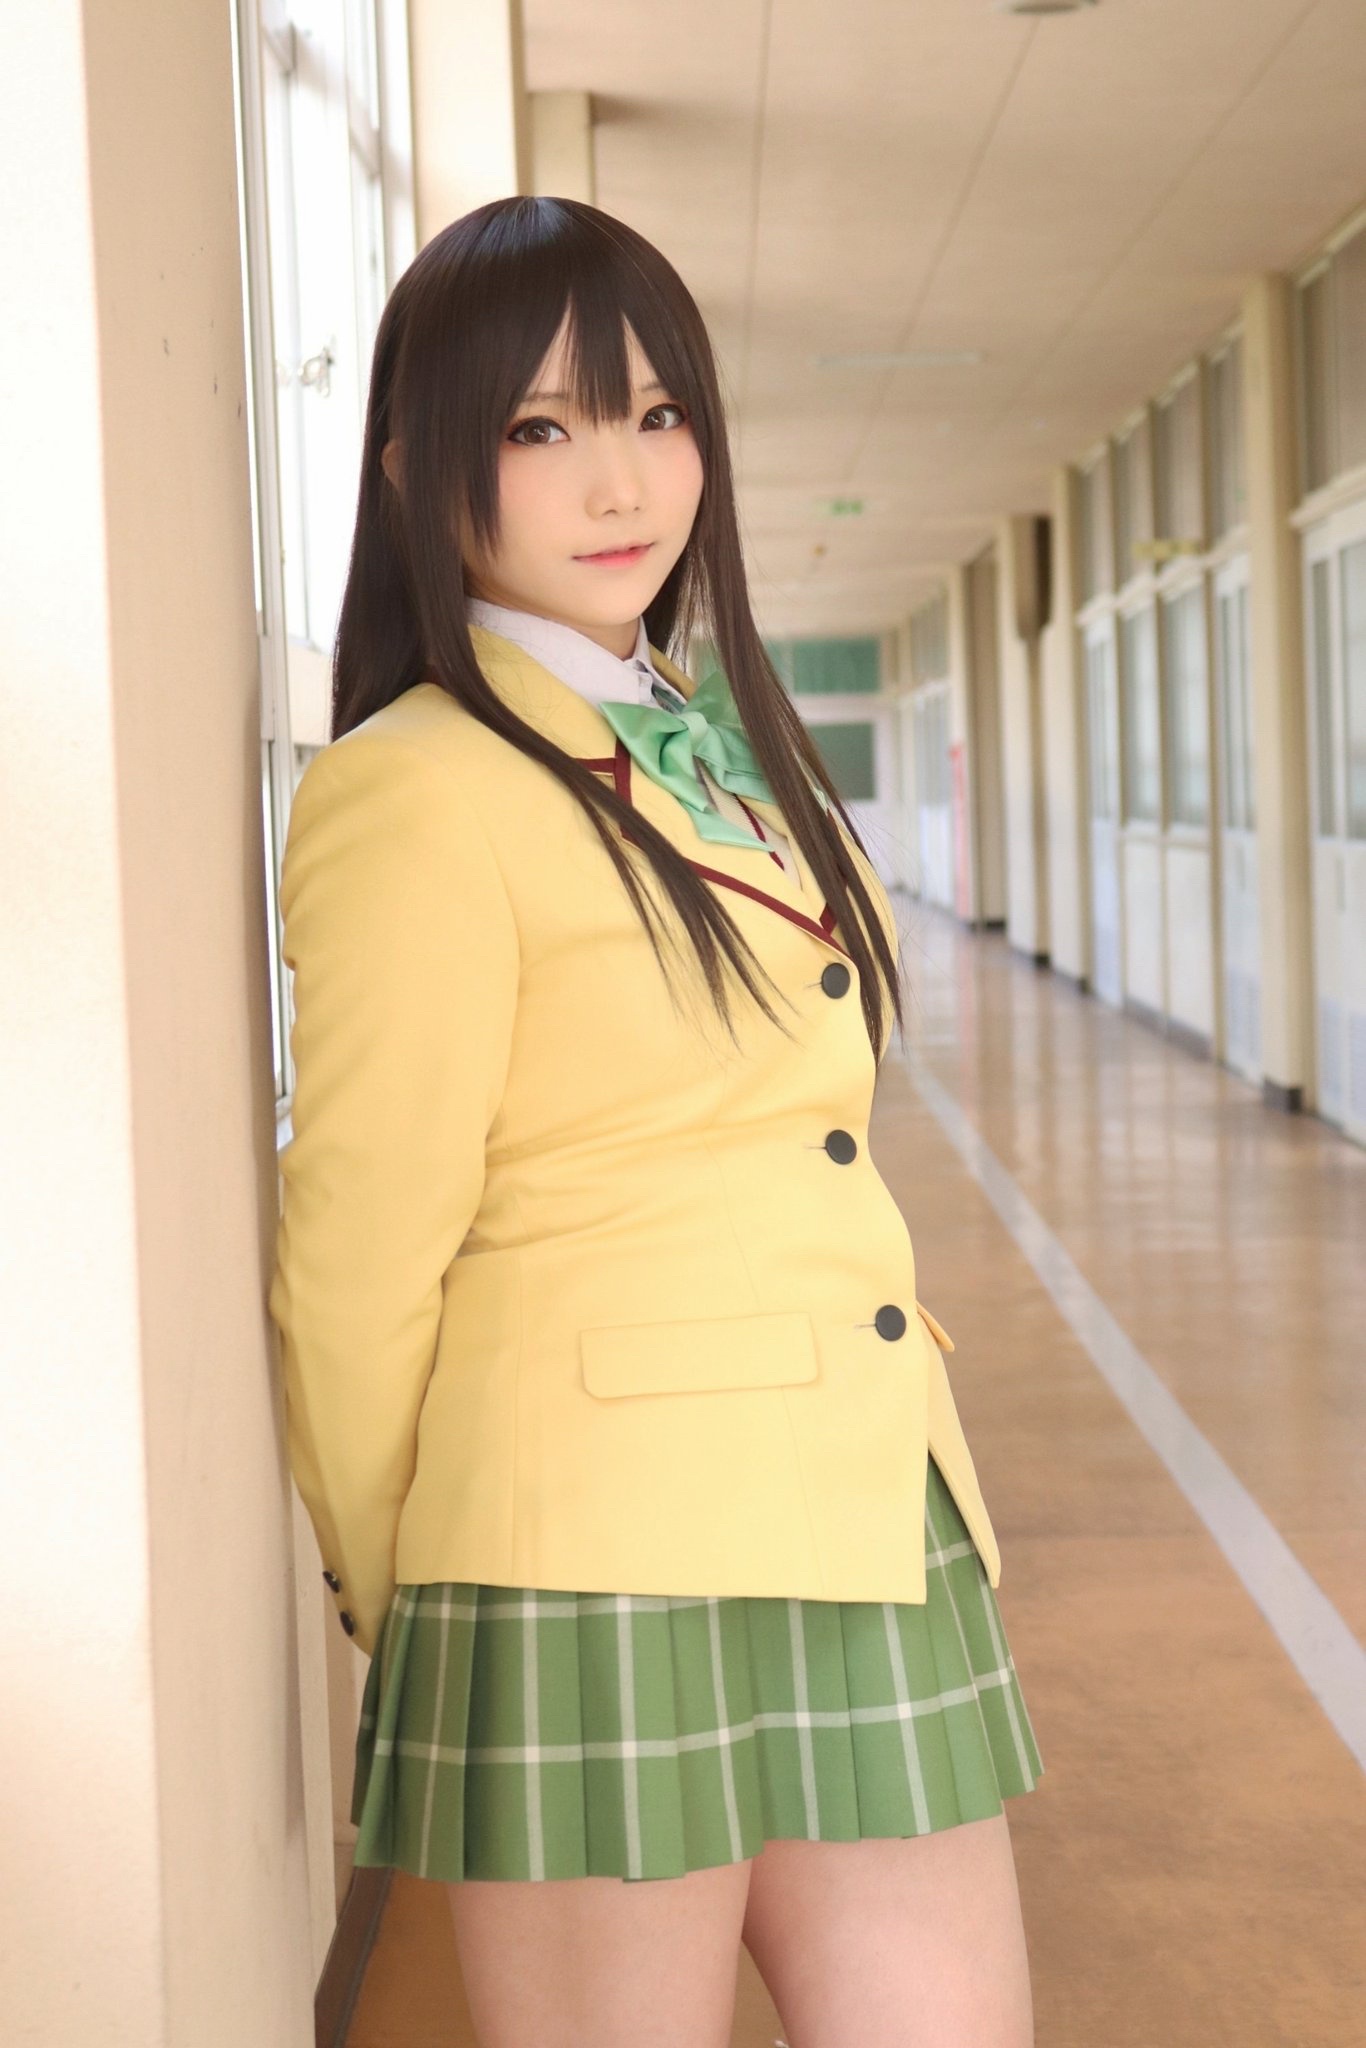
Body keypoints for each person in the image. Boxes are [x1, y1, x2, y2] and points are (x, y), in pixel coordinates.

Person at [269, 194, 1042, 2048]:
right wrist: (412, 1585)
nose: (618, 480)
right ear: (415, 464)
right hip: (581, 1557)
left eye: (657, 414)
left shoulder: (731, 750)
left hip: (866, 1510)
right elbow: (360, 1247)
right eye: (540, 427)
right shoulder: (415, 790)